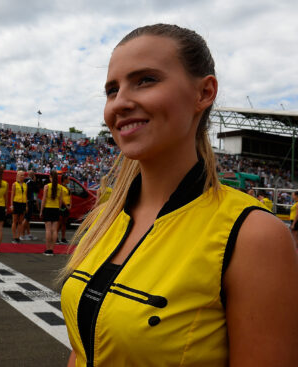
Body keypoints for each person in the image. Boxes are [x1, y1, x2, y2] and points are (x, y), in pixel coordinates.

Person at [60, 24, 298, 366]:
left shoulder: (253, 235)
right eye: (112, 90)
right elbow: (82, 348)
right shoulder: (102, 219)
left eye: (146, 80)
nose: (120, 102)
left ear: (204, 93)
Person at [40, 170, 62, 256]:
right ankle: (52, 249)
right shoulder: (60, 187)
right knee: (54, 230)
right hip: (56, 209)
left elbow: (44, 199)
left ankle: (47, 249)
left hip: (48, 208)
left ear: (50, 177)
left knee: (48, 230)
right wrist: (59, 209)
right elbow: (60, 201)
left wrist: (41, 210)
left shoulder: (47, 186)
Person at [21, 170, 39, 241]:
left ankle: (28, 234)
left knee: (27, 219)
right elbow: (37, 190)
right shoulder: (31, 181)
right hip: (29, 201)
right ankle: (22, 234)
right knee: (26, 218)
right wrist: (34, 181)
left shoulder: (24, 180)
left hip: (24, 201)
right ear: (33, 175)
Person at [10, 170, 27, 243]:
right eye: (21, 175)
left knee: (20, 221)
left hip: (23, 204)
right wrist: (11, 205)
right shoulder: (14, 184)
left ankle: (18, 236)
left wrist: (26, 205)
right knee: (15, 221)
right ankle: (14, 236)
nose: (23, 177)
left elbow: (26, 196)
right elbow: (12, 195)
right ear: (18, 176)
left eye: (23, 175)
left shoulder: (25, 185)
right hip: (16, 203)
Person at [58, 174, 72, 244]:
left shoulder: (67, 187)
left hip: (67, 206)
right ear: (64, 180)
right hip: (62, 206)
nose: (69, 180)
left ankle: (63, 238)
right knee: (59, 223)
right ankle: (56, 238)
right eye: (68, 179)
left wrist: (70, 205)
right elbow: (60, 198)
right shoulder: (60, 187)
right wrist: (66, 206)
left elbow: (70, 197)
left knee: (64, 223)